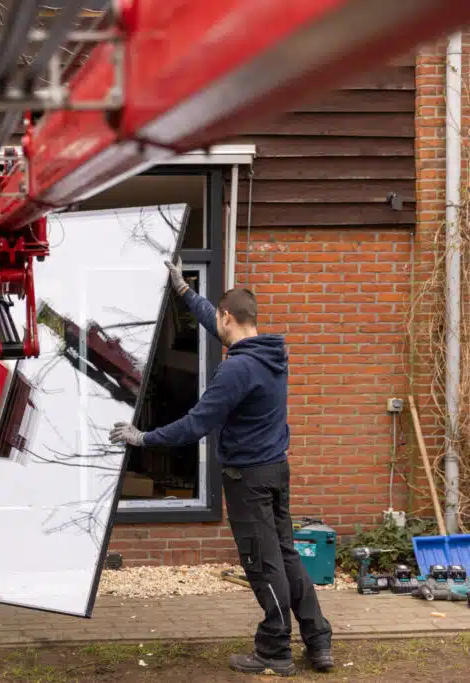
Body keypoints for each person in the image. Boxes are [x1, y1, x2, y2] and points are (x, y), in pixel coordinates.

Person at [109, 260, 333, 677]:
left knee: (262, 564)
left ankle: (274, 649)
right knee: (286, 558)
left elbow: (196, 424)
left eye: (220, 317)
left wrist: (143, 438)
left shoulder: (235, 369)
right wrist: (184, 293)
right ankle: (319, 642)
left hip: (246, 479)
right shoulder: (269, 353)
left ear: (229, 316)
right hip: (274, 471)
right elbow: (221, 327)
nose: (219, 322)